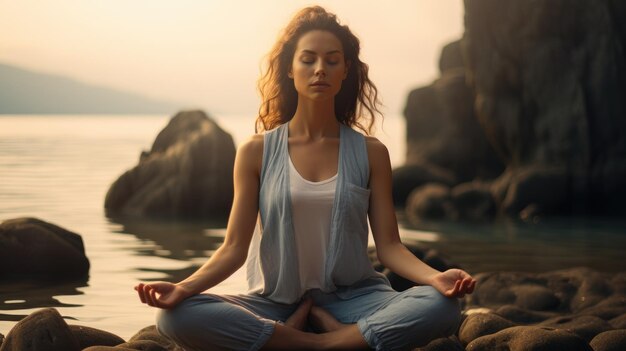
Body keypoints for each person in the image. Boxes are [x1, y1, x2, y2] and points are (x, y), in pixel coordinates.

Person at [135, 6, 476, 350]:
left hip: (356, 300)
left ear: (345, 70)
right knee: (173, 316)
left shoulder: (371, 152)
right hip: (273, 303)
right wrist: (184, 288)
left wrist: (436, 278)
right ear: (290, 68)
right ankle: (322, 339)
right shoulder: (256, 151)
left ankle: (316, 341)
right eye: (308, 59)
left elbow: (389, 247)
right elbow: (233, 249)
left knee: (441, 305)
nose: (319, 70)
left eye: (332, 60)